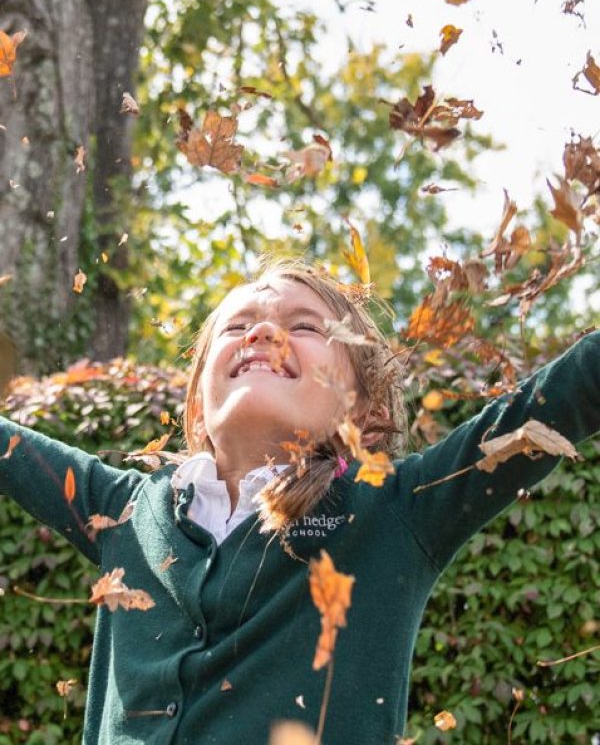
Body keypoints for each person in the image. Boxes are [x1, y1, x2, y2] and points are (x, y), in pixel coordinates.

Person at [1, 259, 599, 745]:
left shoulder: (398, 509)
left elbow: (569, 393)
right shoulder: (122, 511)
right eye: (236, 328)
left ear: (362, 407)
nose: (261, 332)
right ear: (196, 406)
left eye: (305, 326)